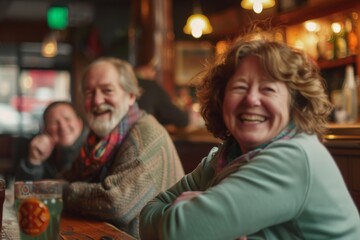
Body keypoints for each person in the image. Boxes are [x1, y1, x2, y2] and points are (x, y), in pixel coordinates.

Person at [139, 36, 360, 239]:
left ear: (294, 104)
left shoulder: (294, 158)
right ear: (221, 99)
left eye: (268, 89)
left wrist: (189, 217)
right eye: (240, 87)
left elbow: (181, 232)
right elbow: (148, 215)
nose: (251, 99)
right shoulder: (224, 157)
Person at [60, 57, 184, 239]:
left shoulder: (144, 134)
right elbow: (69, 176)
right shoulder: (98, 140)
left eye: (107, 90)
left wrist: (62, 191)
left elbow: (116, 204)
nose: (96, 100)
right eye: (89, 93)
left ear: (131, 96)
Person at [15, 101, 87, 181]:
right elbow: (24, 190)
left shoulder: (96, 150)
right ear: (45, 129)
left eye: (67, 119)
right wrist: (34, 161)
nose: (62, 126)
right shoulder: (43, 153)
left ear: (80, 123)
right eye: (54, 122)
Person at [135, 63, 190, 128]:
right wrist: (189, 115)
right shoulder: (150, 87)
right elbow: (180, 118)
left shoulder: (124, 86)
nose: (154, 73)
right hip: (143, 134)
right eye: (153, 69)